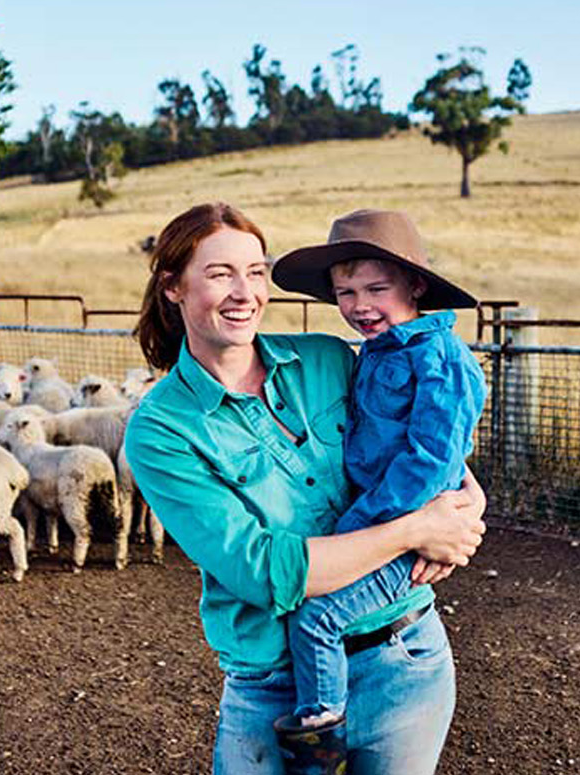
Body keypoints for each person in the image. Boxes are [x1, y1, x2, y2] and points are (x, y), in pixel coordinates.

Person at [123, 203, 487, 775]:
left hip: (402, 661)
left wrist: (467, 506)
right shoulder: (162, 431)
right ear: (173, 287)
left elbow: (426, 443)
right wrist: (417, 530)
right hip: (274, 691)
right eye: (221, 274)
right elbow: (268, 572)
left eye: (256, 272)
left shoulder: (328, 359)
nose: (244, 292)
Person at [268, 209, 487, 770]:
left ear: (415, 285)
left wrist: (362, 527)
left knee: (317, 617)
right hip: (387, 522)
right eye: (345, 292)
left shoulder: (441, 359)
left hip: (399, 529)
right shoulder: (378, 352)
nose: (359, 305)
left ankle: (320, 741)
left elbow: (431, 459)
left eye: (376, 288)